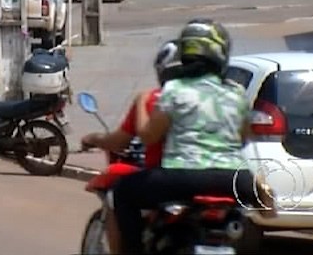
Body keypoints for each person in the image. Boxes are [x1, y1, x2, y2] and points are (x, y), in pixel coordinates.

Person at [109, 19, 272, 255]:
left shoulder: (174, 89)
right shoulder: (236, 92)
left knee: (122, 192)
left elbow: (148, 137)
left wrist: (143, 102)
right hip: (235, 180)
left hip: (181, 176)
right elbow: (244, 137)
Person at [79, 41, 185, 254]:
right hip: (221, 180)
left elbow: (124, 141)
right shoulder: (225, 97)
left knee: (119, 195)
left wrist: (94, 138)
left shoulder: (153, 99)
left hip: (167, 178)